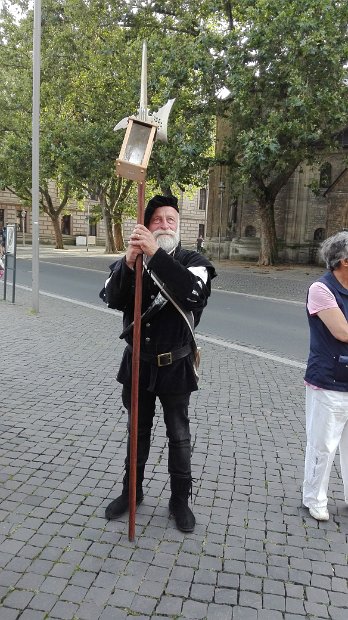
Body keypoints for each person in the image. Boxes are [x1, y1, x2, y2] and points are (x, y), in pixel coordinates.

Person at [100, 195, 216, 532]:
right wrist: (128, 261)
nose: (165, 225)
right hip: (138, 363)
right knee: (137, 433)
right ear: (146, 225)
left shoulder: (193, 261)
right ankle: (131, 493)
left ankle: (180, 501)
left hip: (176, 366)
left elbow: (195, 294)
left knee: (179, 436)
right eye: (158, 220)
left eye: (171, 220)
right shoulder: (133, 260)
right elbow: (112, 297)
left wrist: (156, 255)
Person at [303, 231, 348, 521]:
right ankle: (314, 497)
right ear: (344, 260)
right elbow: (342, 331)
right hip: (329, 380)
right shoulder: (321, 289)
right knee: (323, 444)